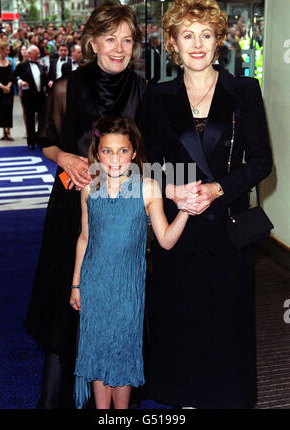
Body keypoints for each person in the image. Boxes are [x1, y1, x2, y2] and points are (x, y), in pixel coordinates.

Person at [142, 0, 272, 409]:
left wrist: (216, 189)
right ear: (173, 44)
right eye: (186, 35)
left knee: (224, 321)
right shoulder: (157, 96)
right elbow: (145, 165)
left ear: (219, 41)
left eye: (205, 35)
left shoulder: (244, 90)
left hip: (224, 227)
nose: (196, 44)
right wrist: (174, 190)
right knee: (178, 318)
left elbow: (261, 163)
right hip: (177, 228)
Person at [25, 2, 146, 409]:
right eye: (110, 38)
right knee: (68, 296)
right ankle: (59, 395)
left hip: (123, 212)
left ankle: (114, 393)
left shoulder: (144, 90)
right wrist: (64, 158)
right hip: (72, 205)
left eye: (127, 39)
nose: (119, 47)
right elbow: (46, 140)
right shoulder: (67, 86)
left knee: (116, 299)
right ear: (92, 43)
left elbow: (151, 152)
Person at [70, 115, 190, 409]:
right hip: (93, 283)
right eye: (107, 151)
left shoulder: (148, 187)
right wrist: (76, 285)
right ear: (97, 153)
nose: (115, 159)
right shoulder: (90, 187)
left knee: (123, 350)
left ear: (134, 152)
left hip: (128, 287)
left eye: (123, 151)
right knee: (96, 350)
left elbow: (165, 240)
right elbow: (84, 237)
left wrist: (185, 211)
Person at [11, 45, 48, 150]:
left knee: (42, 120)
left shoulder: (41, 66)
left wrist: (48, 82)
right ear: (30, 54)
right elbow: (12, 76)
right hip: (29, 98)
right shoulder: (22, 66)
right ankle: (31, 142)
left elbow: (45, 79)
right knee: (30, 120)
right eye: (37, 53)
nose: (39, 55)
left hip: (40, 97)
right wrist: (20, 82)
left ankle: (41, 141)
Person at [0, 42, 16, 141]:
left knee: (9, 109)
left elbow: (13, 74)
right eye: (7, 50)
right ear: (1, 51)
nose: (8, 52)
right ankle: (3, 131)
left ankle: (9, 131)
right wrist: (2, 86)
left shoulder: (10, 61)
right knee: (1, 110)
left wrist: (8, 86)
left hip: (9, 88)